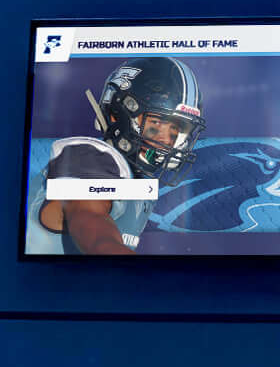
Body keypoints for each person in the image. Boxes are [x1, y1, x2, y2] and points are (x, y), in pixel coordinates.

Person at [31, 54, 204, 256]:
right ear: (117, 113)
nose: (167, 140)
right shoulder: (89, 157)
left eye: (175, 130)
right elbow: (100, 243)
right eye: (156, 124)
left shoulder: (137, 183)